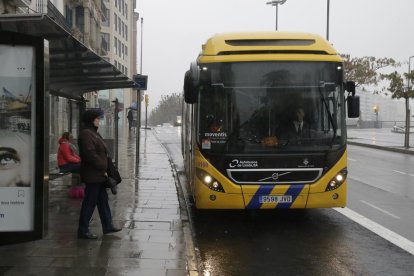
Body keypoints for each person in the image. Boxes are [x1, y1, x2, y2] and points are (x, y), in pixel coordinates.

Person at [77, 109, 122, 239]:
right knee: (89, 203)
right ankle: (83, 230)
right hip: (93, 176)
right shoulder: (86, 134)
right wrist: (102, 165)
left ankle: (107, 226)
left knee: (103, 202)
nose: (99, 120)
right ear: (91, 119)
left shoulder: (94, 133)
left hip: (100, 175)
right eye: (97, 118)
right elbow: (89, 154)